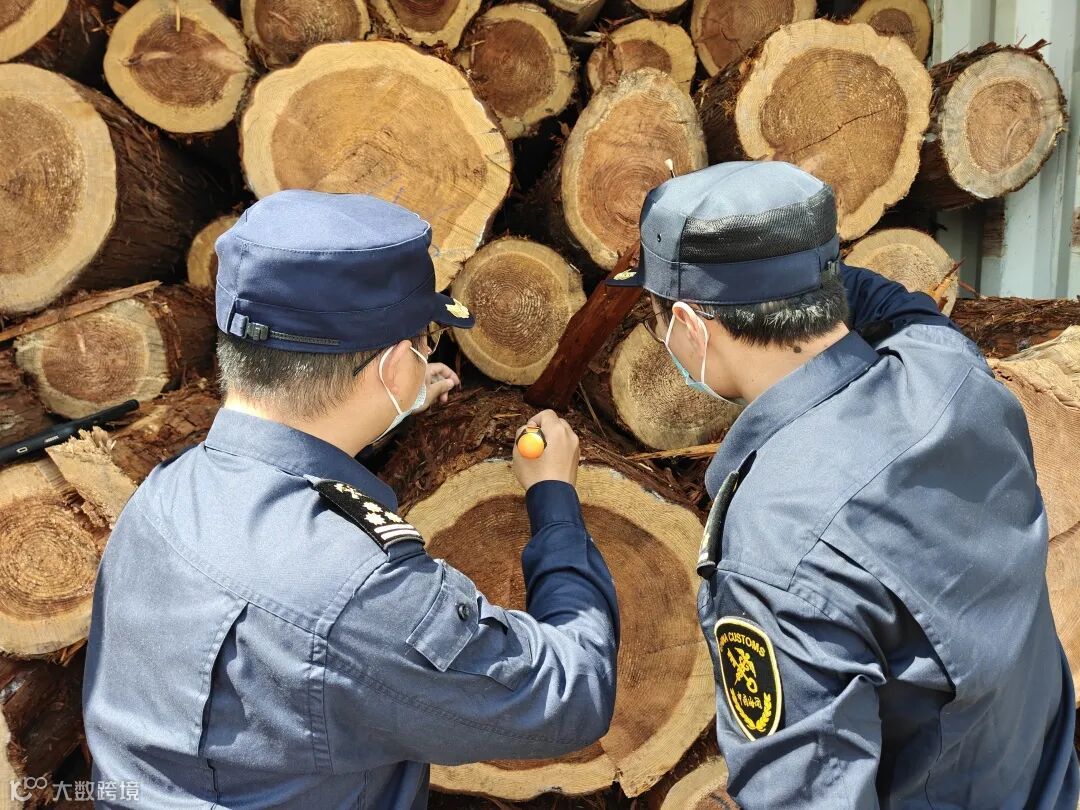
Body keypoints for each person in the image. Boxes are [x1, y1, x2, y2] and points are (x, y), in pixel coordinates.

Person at [82, 190, 620, 809]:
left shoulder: (164, 495)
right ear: (392, 367)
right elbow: (571, 693)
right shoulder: (361, 592)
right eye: (426, 342)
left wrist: (384, 410)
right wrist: (554, 500)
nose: (428, 353)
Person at [609, 161, 1079, 808]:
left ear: (690, 325)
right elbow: (898, 306)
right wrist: (797, 272)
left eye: (660, 318)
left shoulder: (777, 545)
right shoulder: (951, 373)